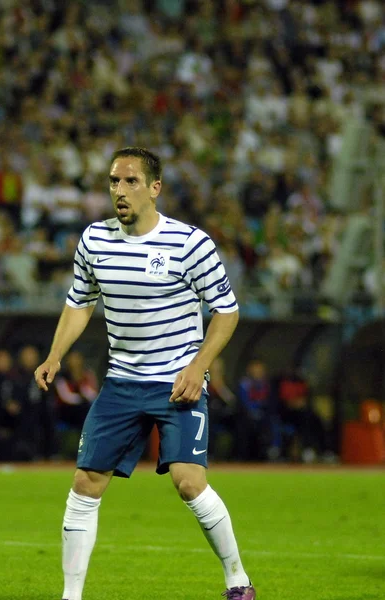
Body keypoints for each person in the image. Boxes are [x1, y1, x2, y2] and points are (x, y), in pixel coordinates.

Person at [34, 147, 256, 600]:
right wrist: (55, 354)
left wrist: (199, 366)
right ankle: (70, 596)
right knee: (84, 483)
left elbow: (227, 312)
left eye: (130, 181)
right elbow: (80, 301)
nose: (120, 189)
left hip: (178, 380)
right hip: (121, 382)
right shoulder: (94, 240)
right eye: (114, 181)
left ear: (154, 188)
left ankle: (237, 578)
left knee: (190, 483)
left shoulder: (190, 243)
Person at [236, 359, 280, 462]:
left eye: (259, 370)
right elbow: (243, 403)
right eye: (255, 370)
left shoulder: (268, 385)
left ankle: (273, 451)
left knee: (274, 422)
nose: (257, 373)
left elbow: (271, 402)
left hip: (265, 416)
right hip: (247, 416)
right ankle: (243, 455)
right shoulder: (244, 384)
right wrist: (254, 411)